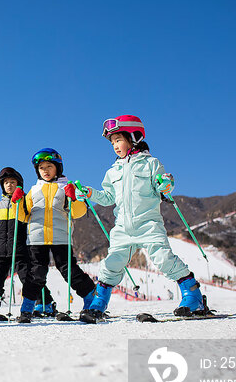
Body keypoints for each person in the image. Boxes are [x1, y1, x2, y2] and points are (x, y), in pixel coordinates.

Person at [80, 115, 208, 322]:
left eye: (118, 140)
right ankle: (99, 303)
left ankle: (193, 296)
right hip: (122, 227)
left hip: (148, 223)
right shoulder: (113, 171)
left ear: (134, 137)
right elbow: (108, 197)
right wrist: (89, 193)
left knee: (163, 259)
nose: (115, 146)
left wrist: (165, 184)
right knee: (111, 263)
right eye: (112, 142)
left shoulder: (150, 163)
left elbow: (162, 185)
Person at [12, 148, 96, 323]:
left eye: (49, 166)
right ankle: (27, 307)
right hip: (37, 239)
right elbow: (22, 215)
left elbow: (78, 212)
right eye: (42, 167)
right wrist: (17, 202)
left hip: (60, 238)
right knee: (36, 273)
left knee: (69, 271)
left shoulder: (66, 187)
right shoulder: (34, 190)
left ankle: (91, 300)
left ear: (58, 167)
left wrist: (74, 198)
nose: (45, 170)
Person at [0, 167, 57, 319]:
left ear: (19, 184)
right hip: (1, 250)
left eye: (12, 182)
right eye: (6, 182)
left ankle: (45, 302)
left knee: (28, 277)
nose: (9, 185)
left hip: (21, 249)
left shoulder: (26, 203)